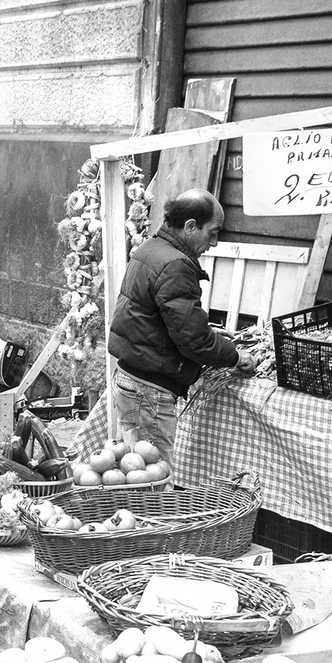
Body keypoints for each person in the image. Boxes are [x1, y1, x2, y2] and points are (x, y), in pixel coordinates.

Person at [105, 189, 255, 462]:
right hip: (148, 388)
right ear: (189, 226)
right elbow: (194, 341)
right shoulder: (176, 264)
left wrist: (209, 333)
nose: (215, 242)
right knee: (153, 479)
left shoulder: (151, 248)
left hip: (131, 378)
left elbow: (158, 319)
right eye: (212, 232)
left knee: (135, 471)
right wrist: (235, 356)